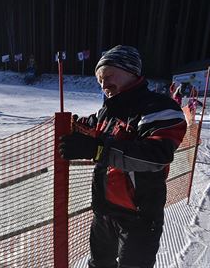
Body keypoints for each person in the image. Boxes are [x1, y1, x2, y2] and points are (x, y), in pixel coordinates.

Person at [58, 45, 187, 268]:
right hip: (104, 211)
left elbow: (155, 156)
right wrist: (70, 126)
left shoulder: (159, 107)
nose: (104, 84)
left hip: (139, 216)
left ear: (131, 71)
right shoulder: (108, 111)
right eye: (100, 80)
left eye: (108, 75)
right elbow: (90, 127)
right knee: (100, 263)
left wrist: (97, 150)